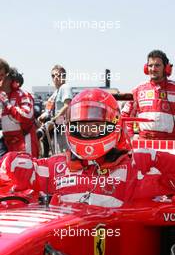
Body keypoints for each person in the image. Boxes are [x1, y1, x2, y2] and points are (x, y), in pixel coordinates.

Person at [2, 88, 175, 208]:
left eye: (96, 127)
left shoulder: (140, 163)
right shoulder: (57, 167)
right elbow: (14, 168)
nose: (89, 133)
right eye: (83, 127)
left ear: (115, 125)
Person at [121, 50, 175, 140]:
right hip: (144, 144)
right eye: (150, 65)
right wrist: (131, 137)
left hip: (170, 145)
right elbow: (125, 116)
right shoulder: (138, 89)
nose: (153, 69)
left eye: (157, 65)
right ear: (146, 68)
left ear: (166, 68)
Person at [0, 58, 39, 158]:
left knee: (27, 172)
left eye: (2, 76)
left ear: (10, 79)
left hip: (25, 144)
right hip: (8, 146)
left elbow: (26, 115)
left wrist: (7, 104)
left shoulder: (23, 94)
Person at [37, 64, 73, 154]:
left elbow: (67, 105)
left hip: (63, 127)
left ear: (64, 76)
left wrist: (53, 119)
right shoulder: (56, 92)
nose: (55, 78)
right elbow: (49, 110)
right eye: (53, 75)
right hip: (56, 128)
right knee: (57, 152)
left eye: (59, 75)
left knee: (64, 153)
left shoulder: (65, 87)